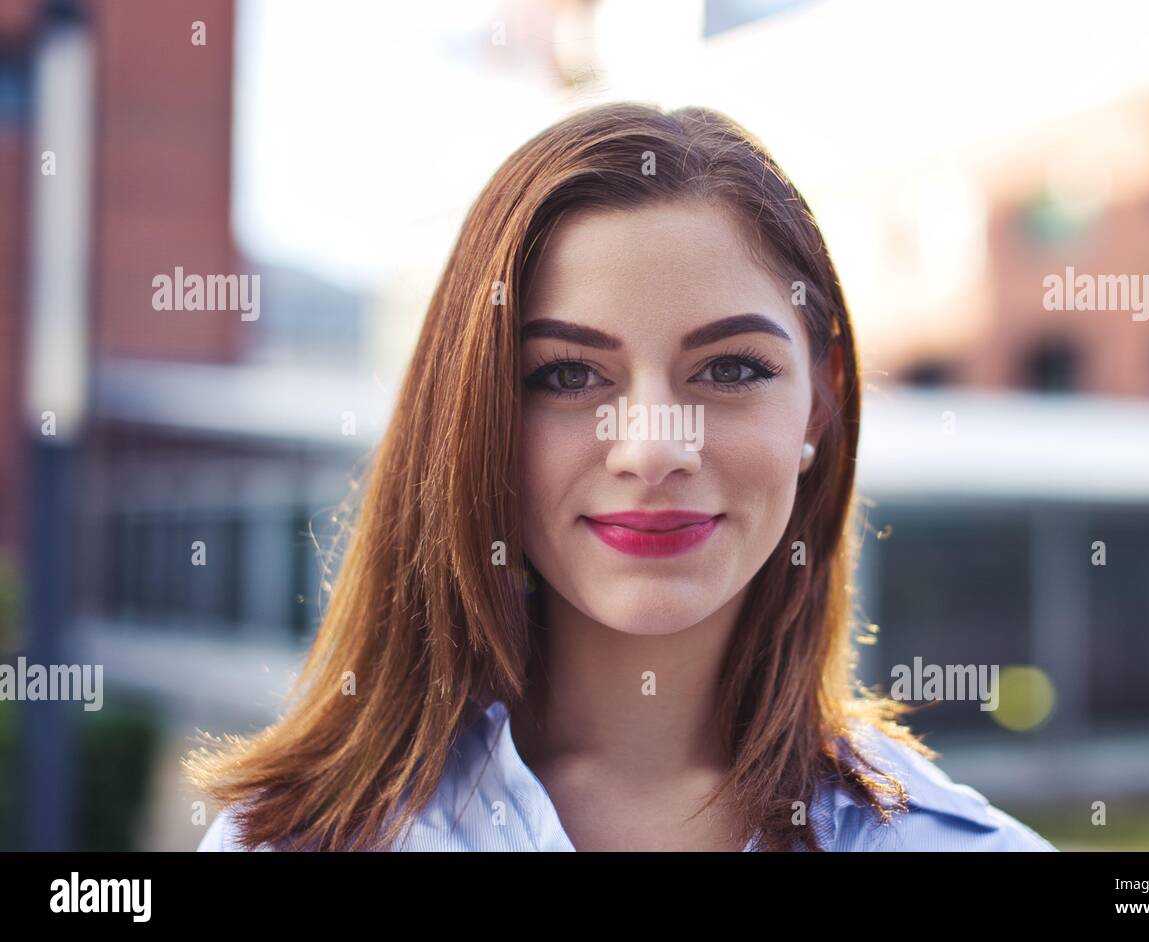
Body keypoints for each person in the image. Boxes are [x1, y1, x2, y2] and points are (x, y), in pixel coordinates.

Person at [189, 102, 1055, 852]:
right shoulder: (292, 839)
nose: (651, 448)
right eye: (567, 375)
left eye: (729, 369)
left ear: (819, 407)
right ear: (478, 417)